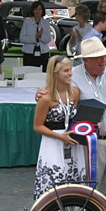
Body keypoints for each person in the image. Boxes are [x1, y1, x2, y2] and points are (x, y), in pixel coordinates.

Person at [55, 37, 106, 201]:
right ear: (86, 60)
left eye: (105, 56)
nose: (104, 60)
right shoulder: (72, 76)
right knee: (86, 192)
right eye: (98, 57)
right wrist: (42, 93)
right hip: (88, 144)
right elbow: (59, 103)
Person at [33, 55, 84, 198]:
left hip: (72, 143)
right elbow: (37, 126)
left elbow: (77, 117)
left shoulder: (75, 93)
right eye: (66, 71)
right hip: (53, 143)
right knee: (53, 186)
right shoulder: (46, 98)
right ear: (55, 73)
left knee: (75, 183)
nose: (70, 73)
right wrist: (60, 137)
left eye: (70, 69)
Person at [20, 1, 51, 69]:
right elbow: (22, 38)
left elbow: (48, 39)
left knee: (42, 74)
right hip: (29, 53)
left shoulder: (46, 22)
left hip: (43, 53)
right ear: (33, 10)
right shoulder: (27, 22)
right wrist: (35, 37)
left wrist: (40, 36)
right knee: (29, 73)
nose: (38, 11)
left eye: (40, 9)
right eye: (36, 9)